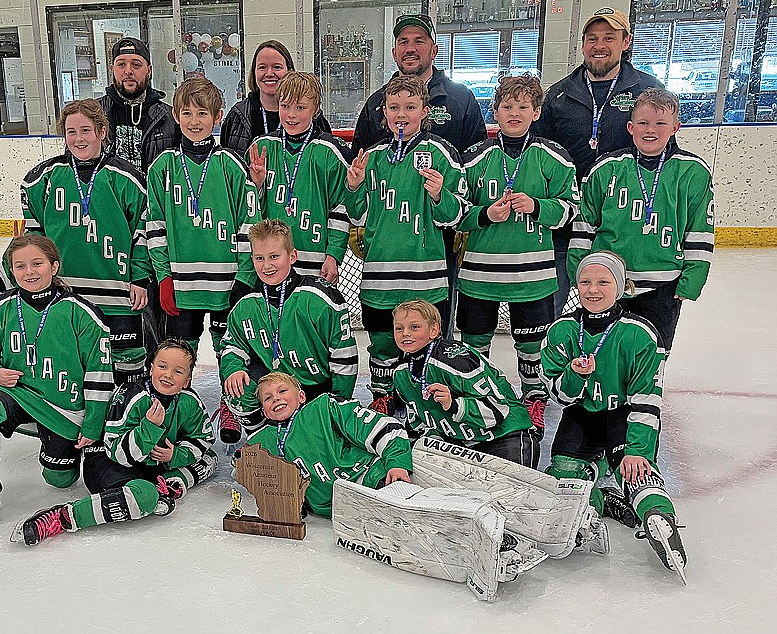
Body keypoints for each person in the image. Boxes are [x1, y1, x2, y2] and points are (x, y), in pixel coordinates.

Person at [540, 251, 686, 581]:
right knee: (563, 476)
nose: (593, 289)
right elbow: (559, 396)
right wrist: (576, 375)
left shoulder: (640, 334)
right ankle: (601, 503)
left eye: (603, 281)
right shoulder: (562, 330)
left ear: (620, 287)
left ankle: (659, 518)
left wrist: (638, 450)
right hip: (582, 415)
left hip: (624, 415)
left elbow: (647, 401)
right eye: (585, 282)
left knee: (636, 472)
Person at [0, 235, 115, 529]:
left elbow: (100, 372)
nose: (29, 272)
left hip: (62, 407)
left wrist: (94, 422)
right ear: (11, 271)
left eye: (36, 263)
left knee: (60, 480)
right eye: (20, 266)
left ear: (54, 266)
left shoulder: (81, 312)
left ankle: (52, 439)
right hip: (16, 393)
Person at [457, 75, 579, 438]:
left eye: (523, 106)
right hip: (480, 274)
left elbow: (572, 209)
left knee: (530, 345)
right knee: (475, 342)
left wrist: (537, 206)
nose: (514, 113)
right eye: (507, 106)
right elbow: (454, 211)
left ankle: (533, 398)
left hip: (533, 275)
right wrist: (484, 214)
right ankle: (478, 398)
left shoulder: (554, 158)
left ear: (536, 111)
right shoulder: (476, 157)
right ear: (494, 111)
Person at [11, 339, 218, 546]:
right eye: (162, 366)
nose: (168, 375)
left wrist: (175, 455)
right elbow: (117, 453)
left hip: (152, 466)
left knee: (209, 458)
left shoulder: (189, 400)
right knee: (144, 498)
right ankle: (62, 517)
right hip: (109, 462)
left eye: (178, 371)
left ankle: (163, 488)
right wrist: (149, 427)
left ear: (188, 380)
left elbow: (204, 438)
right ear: (151, 367)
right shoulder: (132, 395)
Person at [145, 77, 260, 442]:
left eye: (203, 113)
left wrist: (244, 277)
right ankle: (181, 409)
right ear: (176, 116)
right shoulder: (162, 166)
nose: (195, 121)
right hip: (182, 283)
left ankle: (229, 404)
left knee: (229, 348)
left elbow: (249, 222)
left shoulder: (230, 164)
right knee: (181, 353)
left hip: (227, 283)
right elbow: (156, 225)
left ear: (218, 116)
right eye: (187, 113)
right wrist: (164, 277)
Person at [345, 74, 468, 411]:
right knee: (383, 343)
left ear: (424, 111)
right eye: (394, 107)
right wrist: (354, 186)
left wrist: (440, 194)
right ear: (384, 112)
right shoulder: (372, 156)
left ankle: (429, 401)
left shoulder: (441, 153)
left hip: (424, 275)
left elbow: (457, 215)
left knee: (428, 344)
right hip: (379, 273)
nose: (402, 114)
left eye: (410, 107)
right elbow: (358, 216)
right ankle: (382, 396)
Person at [9, 98, 151, 385]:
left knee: (127, 365)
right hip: (65, 292)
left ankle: (125, 418)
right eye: (71, 132)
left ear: (102, 131)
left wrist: (140, 278)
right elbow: (33, 238)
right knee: (74, 360)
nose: (78, 138)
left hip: (117, 292)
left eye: (85, 130)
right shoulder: (42, 179)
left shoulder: (127, 178)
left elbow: (143, 233)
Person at [535, 7, 664, 314]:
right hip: (568, 219)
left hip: (622, 219)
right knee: (554, 297)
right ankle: (554, 355)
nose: (599, 45)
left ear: (626, 41)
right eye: (592, 38)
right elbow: (539, 157)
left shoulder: (649, 90)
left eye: (609, 37)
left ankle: (616, 356)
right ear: (582, 44)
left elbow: (662, 154)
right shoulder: (558, 95)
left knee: (623, 299)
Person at [569, 87, 714, 353]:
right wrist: (578, 272)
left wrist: (693, 278)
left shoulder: (692, 171)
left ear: (675, 127)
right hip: (608, 280)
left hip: (664, 282)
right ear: (630, 126)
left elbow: (700, 230)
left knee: (655, 351)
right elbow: (584, 224)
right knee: (605, 349)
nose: (651, 130)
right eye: (644, 123)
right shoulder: (607, 167)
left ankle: (647, 393)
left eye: (660, 123)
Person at [220, 219, 358, 442]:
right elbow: (232, 345)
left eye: (274, 256)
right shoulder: (246, 304)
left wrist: (337, 404)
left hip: (314, 387)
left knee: (318, 441)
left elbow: (344, 356)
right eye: (259, 258)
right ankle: (263, 440)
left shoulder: (321, 299)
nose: (267, 266)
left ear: (292, 256)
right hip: (272, 386)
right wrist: (233, 368)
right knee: (238, 389)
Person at [390, 300, 538, 468]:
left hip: (504, 436)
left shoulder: (456, 360)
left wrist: (453, 404)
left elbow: (497, 410)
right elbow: (418, 424)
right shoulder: (401, 373)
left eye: (414, 327)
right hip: (462, 444)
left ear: (434, 330)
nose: (405, 333)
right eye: (399, 328)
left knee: (511, 490)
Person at [245, 372, 412, 518]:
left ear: (301, 396)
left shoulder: (325, 407)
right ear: (265, 412)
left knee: (406, 505)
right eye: (268, 398)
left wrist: (397, 464)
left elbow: (383, 426)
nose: (276, 398)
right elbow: (247, 474)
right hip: (336, 508)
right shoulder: (261, 443)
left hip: (373, 477)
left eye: (282, 391)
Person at [246, 72, 353, 282]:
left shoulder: (330, 152)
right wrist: (257, 185)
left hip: (316, 262)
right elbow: (247, 209)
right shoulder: (262, 147)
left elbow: (341, 208)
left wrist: (333, 255)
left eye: (301, 107)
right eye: (285, 106)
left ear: (316, 109)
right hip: (271, 263)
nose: (291, 115)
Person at [352, 14, 486, 154]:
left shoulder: (461, 99)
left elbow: (477, 161)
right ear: (394, 53)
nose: (410, 49)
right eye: (403, 42)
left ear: (434, 51)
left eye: (419, 41)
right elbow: (358, 159)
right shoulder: (376, 103)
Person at [221, 40, 331, 154]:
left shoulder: (313, 118)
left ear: (290, 71)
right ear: (254, 72)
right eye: (262, 67)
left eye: (277, 67)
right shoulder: (237, 116)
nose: (269, 73)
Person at [96, 37, 180, 172]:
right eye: (121, 64)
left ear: (149, 70)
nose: (128, 71)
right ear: (112, 69)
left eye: (136, 65)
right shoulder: (93, 114)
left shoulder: (169, 117)